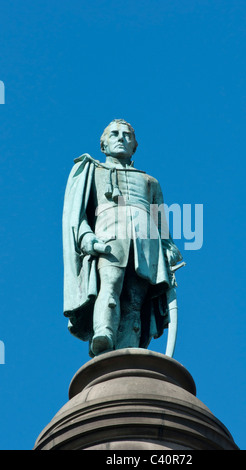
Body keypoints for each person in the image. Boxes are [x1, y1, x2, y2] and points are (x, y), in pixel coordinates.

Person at [62, 119, 182, 356]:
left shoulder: (151, 182)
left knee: (136, 302)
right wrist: (86, 237)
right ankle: (103, 333)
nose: (121, 138)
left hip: (146, 243)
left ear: (134, 146)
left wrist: (169, 249)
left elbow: (161, 225)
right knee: (110, 285)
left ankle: (128, 349)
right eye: (114, 134)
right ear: (103, 144)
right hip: (109, 236)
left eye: (127, 135)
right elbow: (76, 214)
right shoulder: (92, 170)